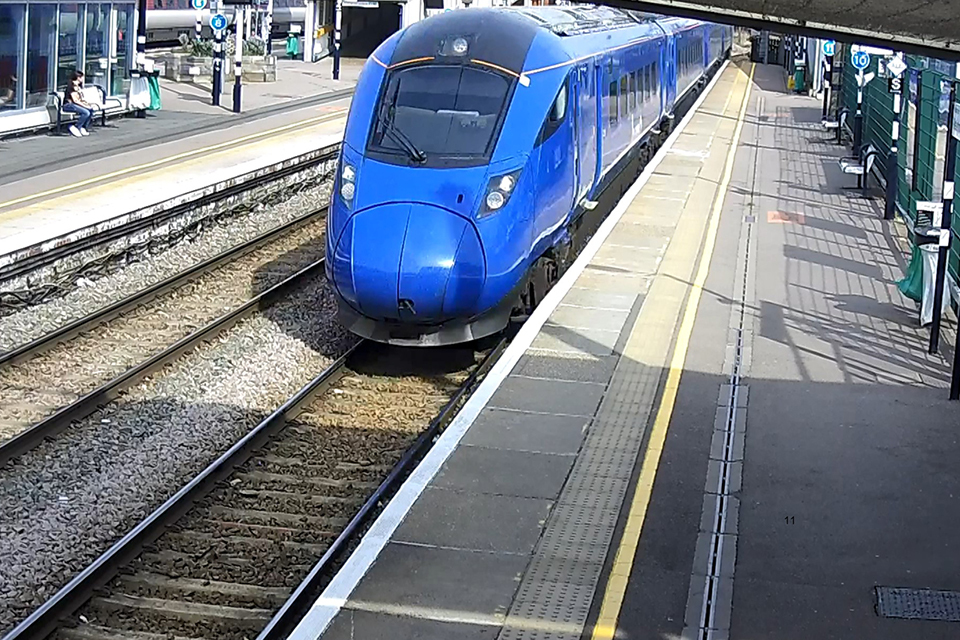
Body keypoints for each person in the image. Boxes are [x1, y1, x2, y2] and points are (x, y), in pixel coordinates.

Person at [63, 71, 97, 137]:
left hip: (76, 104)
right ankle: (77, 126)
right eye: (82, 77)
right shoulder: (71, 86)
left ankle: (83, 127)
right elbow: (75, 100)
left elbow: (80, 99)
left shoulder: (78, 87)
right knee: (86, 112)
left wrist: (87, 104)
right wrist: (85, 106)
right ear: (78, 78)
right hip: (69, 105)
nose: (83, 79)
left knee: (91, 110)